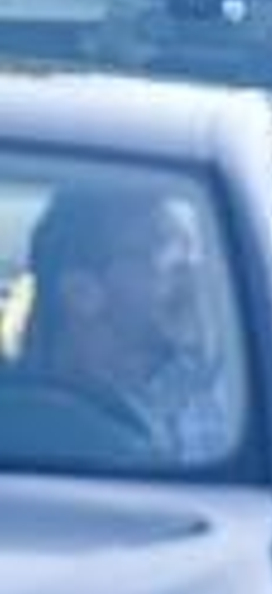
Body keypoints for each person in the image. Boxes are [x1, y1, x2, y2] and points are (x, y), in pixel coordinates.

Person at [24, 186, 234, 462]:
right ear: (81, 293)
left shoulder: (230, 404)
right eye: (163, 254)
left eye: (188, 255)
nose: (190, 277)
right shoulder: (27, 421)